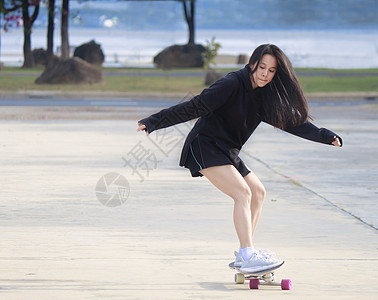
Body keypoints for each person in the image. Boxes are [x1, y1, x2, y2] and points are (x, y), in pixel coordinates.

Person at [137, 44, 342, 273]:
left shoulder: (265, 96)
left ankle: (246, 251)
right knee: (242, 193)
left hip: (227, 151)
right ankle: (247, 254)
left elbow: (291, 123)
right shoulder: (232, 83)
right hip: (204, 145)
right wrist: (155, 121)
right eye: (261, 67)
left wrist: (324, 135)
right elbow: (196, 106)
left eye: (271, 70)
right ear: (252, 63)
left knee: (258, 192)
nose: (265, 73)